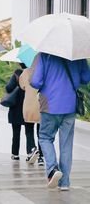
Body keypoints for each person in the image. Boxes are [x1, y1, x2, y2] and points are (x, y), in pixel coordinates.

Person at [31, 53, 90, 190]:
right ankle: (65, 183)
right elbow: (86, 78)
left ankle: (52, 169)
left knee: (45, 138)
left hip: (50, 104)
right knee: (66, 144)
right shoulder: (77, 55)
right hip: (70, 105)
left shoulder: (44, 55)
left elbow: (36, 81)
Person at [6, 63, 39, 163]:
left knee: (16, 132)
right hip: (30, 106)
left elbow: (8, 88)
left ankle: (15, 154)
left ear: (20, 63)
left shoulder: (18, 73)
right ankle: (31, 151)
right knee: (29, 131)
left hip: (16, 108)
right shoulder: (35, 73)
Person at [19, 66, 44, 165]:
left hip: (28, 105)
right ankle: (41, 157)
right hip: (41, 104)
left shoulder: (25, 73)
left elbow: (22, 86)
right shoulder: (43, 70)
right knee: (41, 133)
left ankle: (31, 150)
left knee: (29, 131)